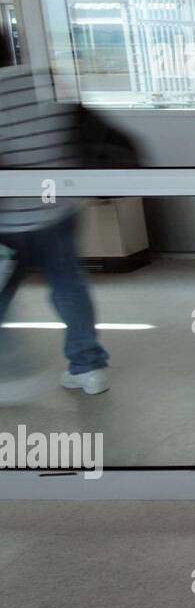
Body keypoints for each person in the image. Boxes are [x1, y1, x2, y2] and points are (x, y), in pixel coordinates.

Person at [0, 64, 110, 400]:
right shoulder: (43, 78)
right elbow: (73, 132)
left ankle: (9, 376)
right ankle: (89, 368)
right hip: (58, 208)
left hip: (5, 220)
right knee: (68, 285)